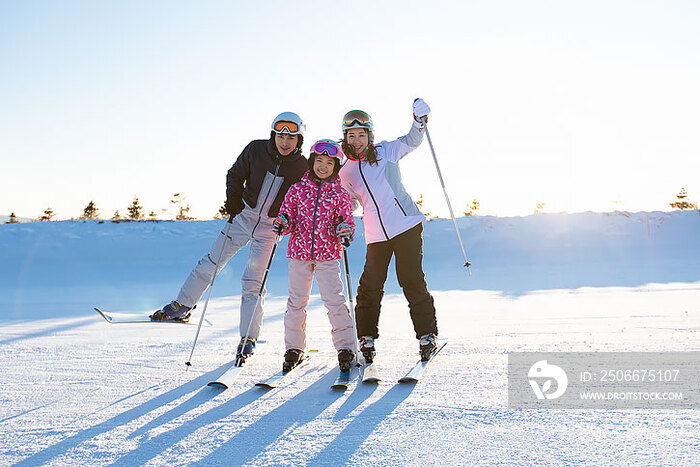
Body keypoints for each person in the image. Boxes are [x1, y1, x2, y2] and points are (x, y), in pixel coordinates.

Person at [150, 112, 309, 363]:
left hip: (269, 230)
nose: (285, 142)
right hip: (242, 218)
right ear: (273, 135)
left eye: (291, 137)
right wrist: (233, 199)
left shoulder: (303, 167)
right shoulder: (256, 150)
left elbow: (301, 202)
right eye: (281, 135)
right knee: (211, 263)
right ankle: (182, 306)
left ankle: (248, 338)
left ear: (299, 139)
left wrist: (286, 222)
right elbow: (235, 174)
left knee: (253, 282)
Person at [338, 98, 438, 362]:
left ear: (370, 135)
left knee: (411, 279)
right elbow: (351, 202)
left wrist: (419, 121)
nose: (357, 139)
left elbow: (413, 140)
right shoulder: (345, 171)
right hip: (375, 234)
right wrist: (341, 218)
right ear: (345, 138)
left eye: (361, 134)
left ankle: (427, 334)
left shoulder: (386, 151)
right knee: (370, 286)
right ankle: (366, 336)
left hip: (405, 224)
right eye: (351, 135)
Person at [272, 139, 357, 373]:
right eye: (319, 161)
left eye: (329, 163)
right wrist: (283, 222)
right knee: (296, 302)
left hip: (328, 254)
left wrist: (345, 230)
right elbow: (287, 214)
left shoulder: (340, 194)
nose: (323, 166)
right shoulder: (297, 190)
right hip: (299, 253)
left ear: (336, 166)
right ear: (312, 162)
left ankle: (346, 348)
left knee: (334, 300)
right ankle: (294, 348)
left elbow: (347, 221)